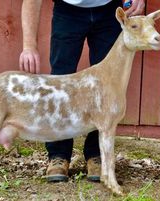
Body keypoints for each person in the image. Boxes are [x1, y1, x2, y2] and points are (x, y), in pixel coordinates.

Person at [19, 0, 145, 182]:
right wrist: (28, 47)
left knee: (107, 87)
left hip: (109, 8)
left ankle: (96, 155)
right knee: (61, 81)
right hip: (68, 10)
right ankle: (58, 155)